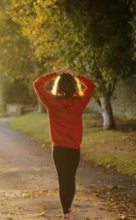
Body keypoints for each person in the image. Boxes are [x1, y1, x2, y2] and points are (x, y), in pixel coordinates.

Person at [33, 69, 95, 220]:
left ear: (58, 86)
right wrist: (77, 75)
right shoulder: (79, 102)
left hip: (59, 149)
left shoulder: (52, 102)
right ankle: (68, 210)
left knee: (63, 179)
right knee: (71, 178)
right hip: (74, 148)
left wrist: (54, 73)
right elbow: (91, 86)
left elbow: (37, 83)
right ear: (74, 87)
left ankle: (66, 213)